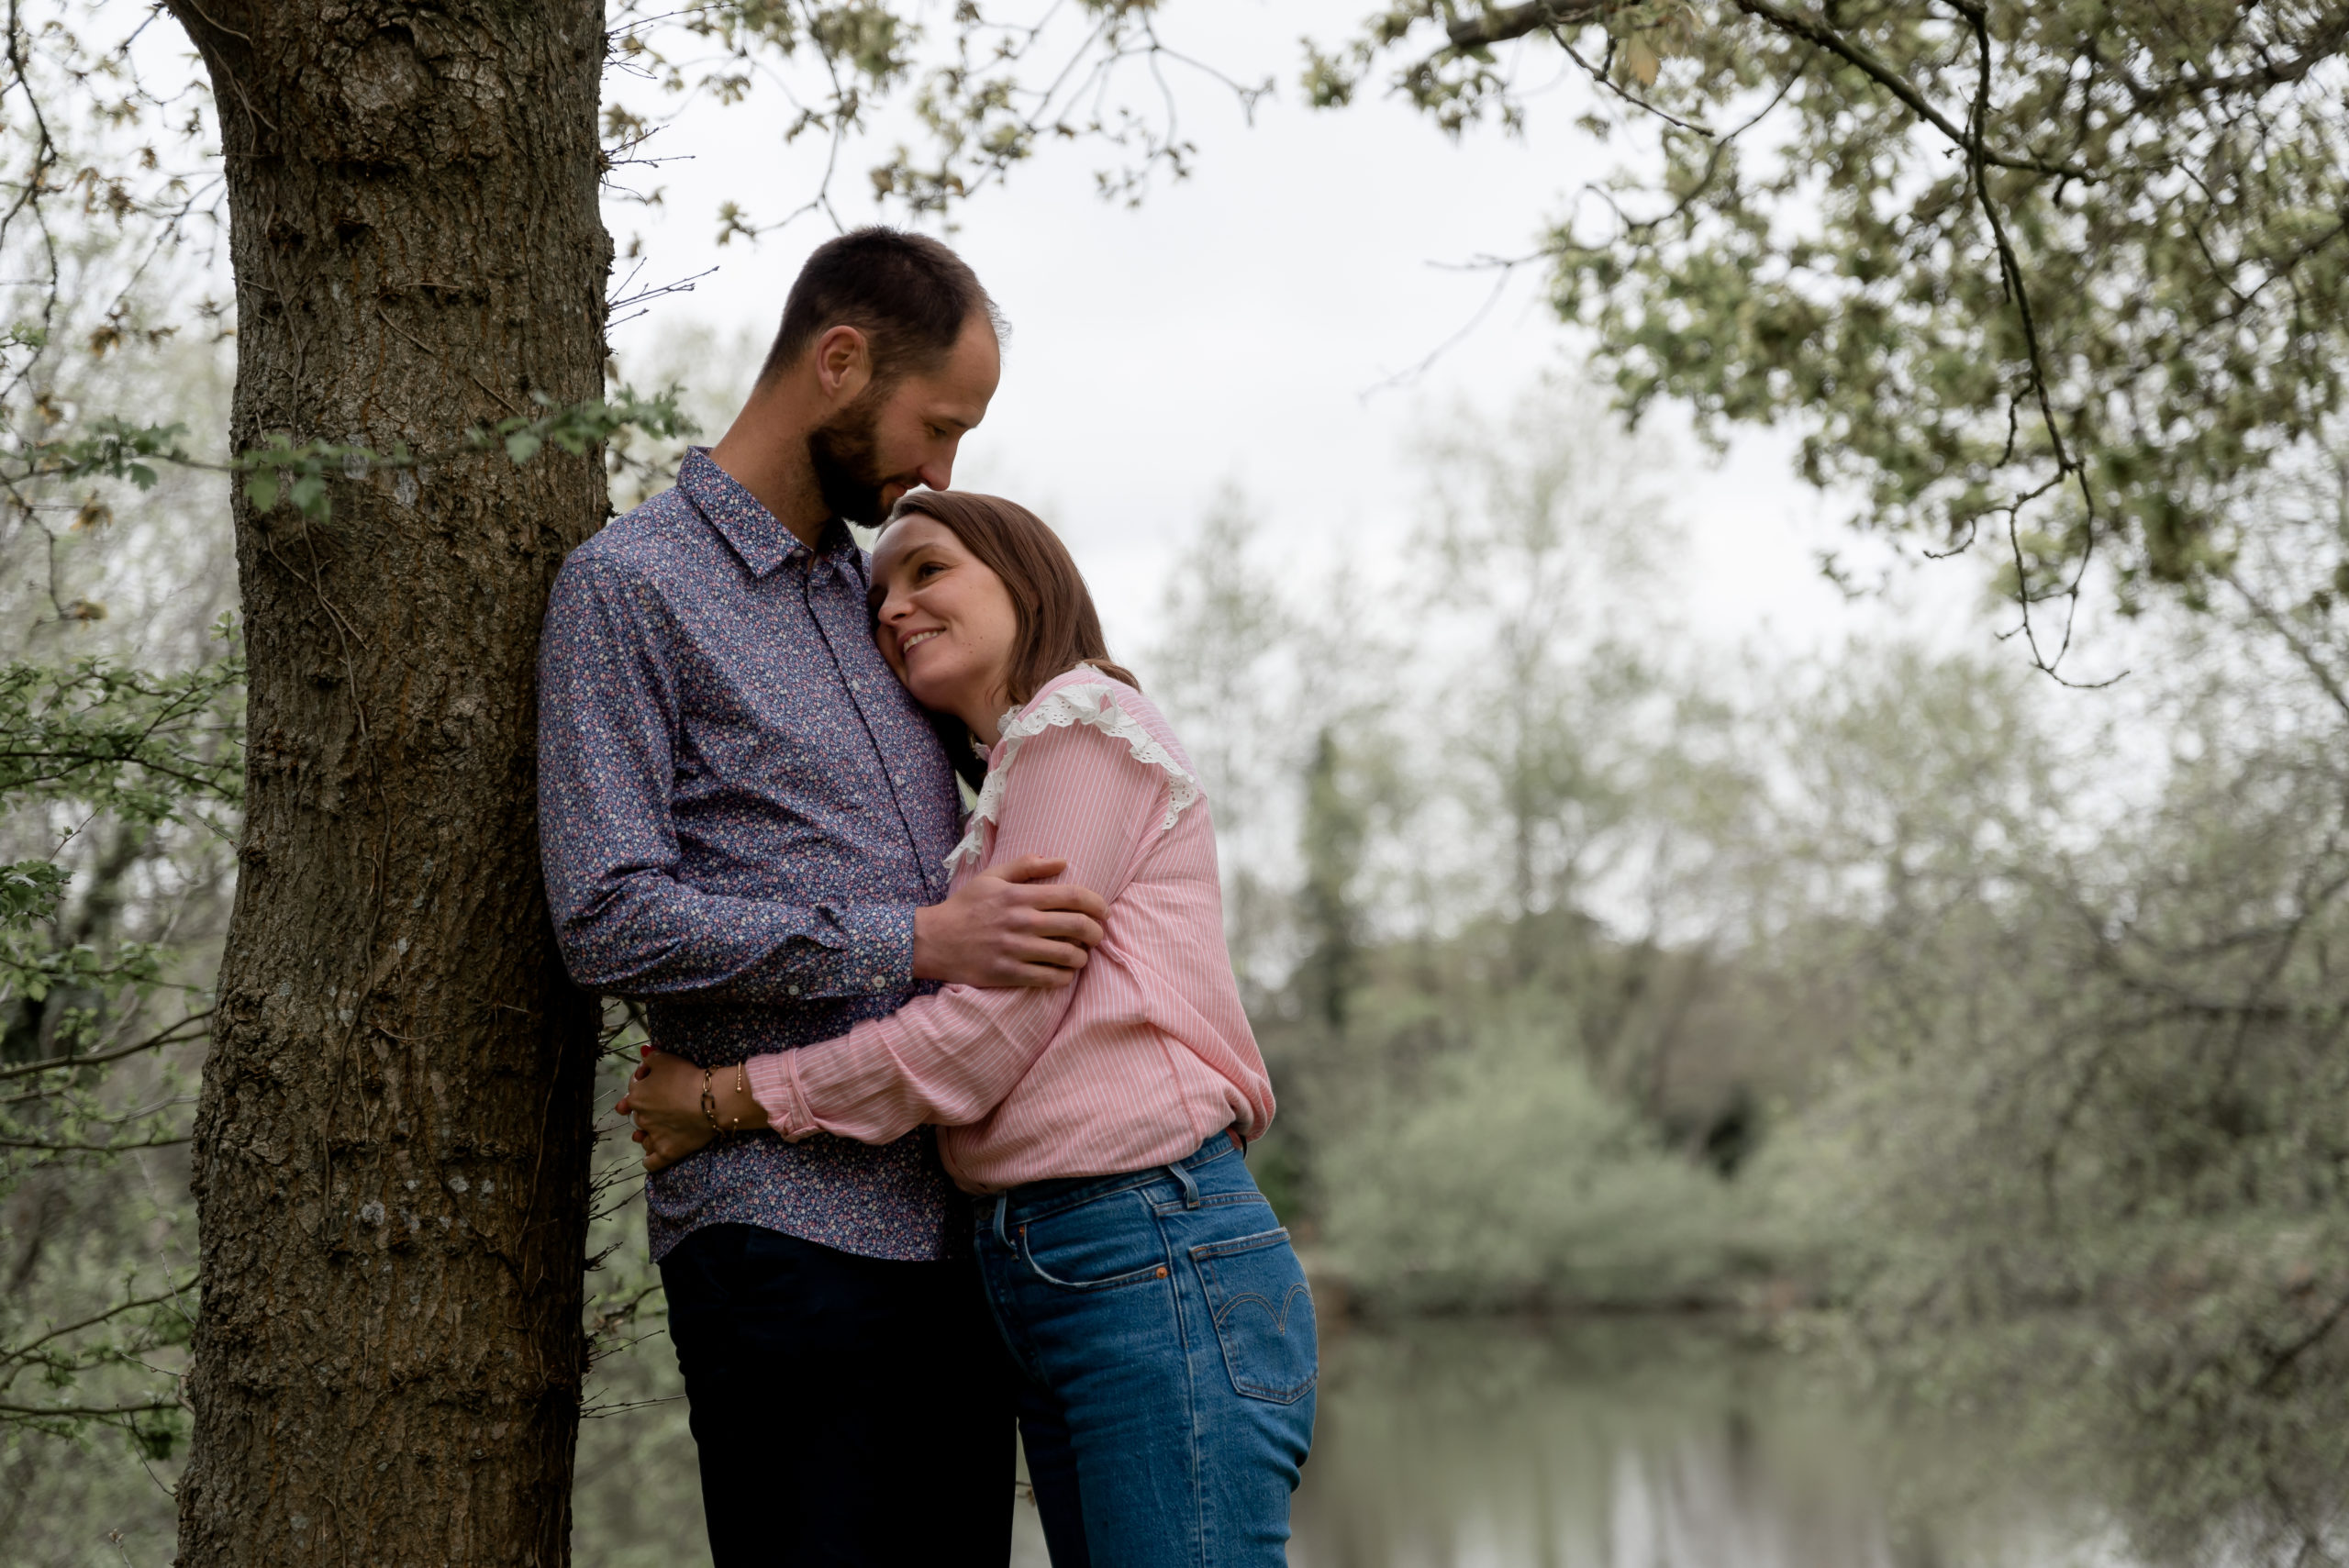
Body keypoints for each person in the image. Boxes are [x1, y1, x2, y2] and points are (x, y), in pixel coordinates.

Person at [537, 228, 1112, 1567]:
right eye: (937, 425)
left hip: (953, 1238)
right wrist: (915, 938)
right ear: (839, 363)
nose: (942, 471)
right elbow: (606, 914)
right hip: (779, 1238)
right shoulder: (628, 591)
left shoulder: (882, 606)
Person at [620, 491, 1318, 1568]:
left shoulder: (1085, 730)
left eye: (928, 571)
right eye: (881, 592)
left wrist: (728, 1097)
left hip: (1150, 1241)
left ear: (1023, 579)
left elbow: (979, 1040)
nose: (894, 606)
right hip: (1049, 1263)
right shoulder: (1006, 790)